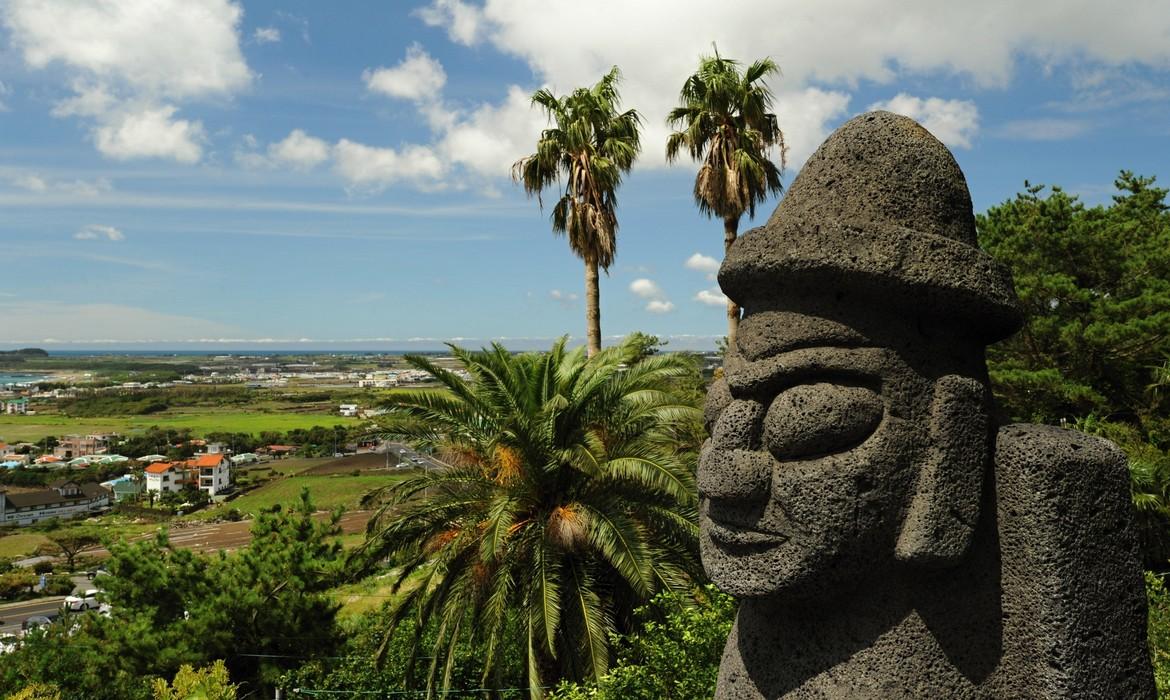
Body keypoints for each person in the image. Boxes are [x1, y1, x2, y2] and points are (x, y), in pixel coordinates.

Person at [699, 111, 1153, 699]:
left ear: (950, 433)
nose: (723, 475)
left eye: (804, 420)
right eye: (718, 420)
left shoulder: (1034, 545)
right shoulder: (766, 620)